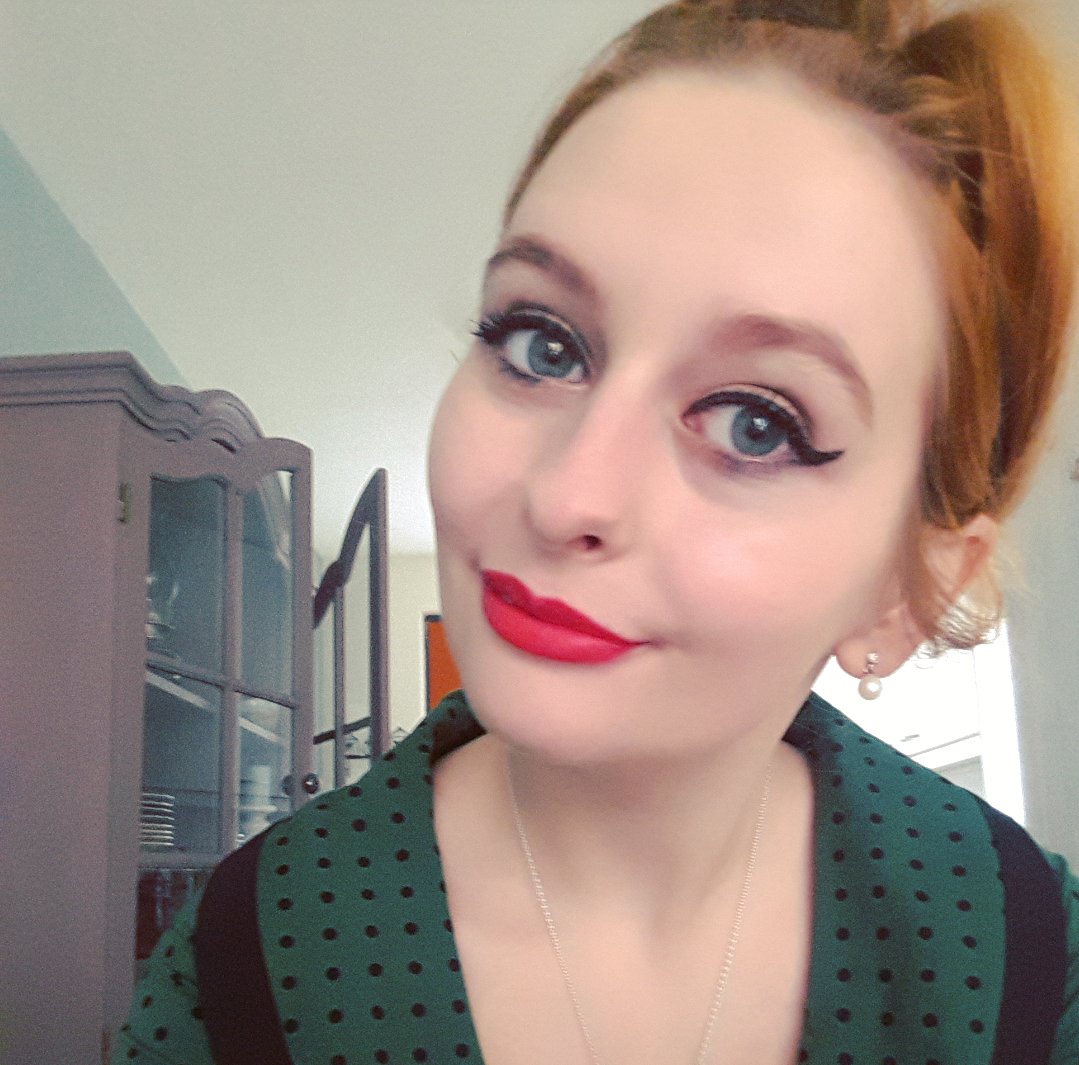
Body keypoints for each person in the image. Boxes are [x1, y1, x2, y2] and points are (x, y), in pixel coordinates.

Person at [119, 0, 1079, 1062]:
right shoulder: (247, 962)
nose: (568, 495)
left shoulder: (1030, 962)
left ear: (905, 590)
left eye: (755, 423)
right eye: (541, 344)